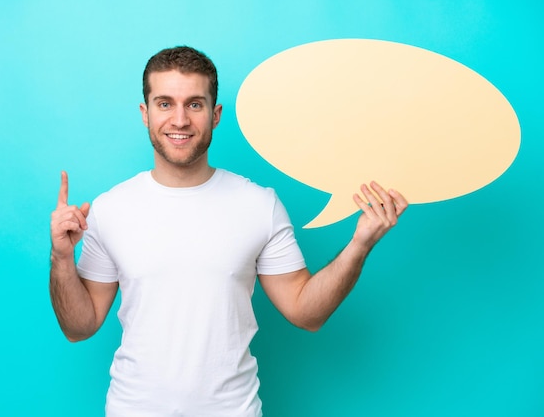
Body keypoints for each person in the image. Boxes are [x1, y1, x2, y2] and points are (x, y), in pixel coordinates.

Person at [49, 46, 408, 416]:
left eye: (194, 104)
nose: (179, 120)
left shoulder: (258, 205)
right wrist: (61, 257)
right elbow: (80, 326)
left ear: (215, 114)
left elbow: (306, 313)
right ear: (145, 113)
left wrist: (360, 244)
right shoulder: (111, 209)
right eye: (164, 103)